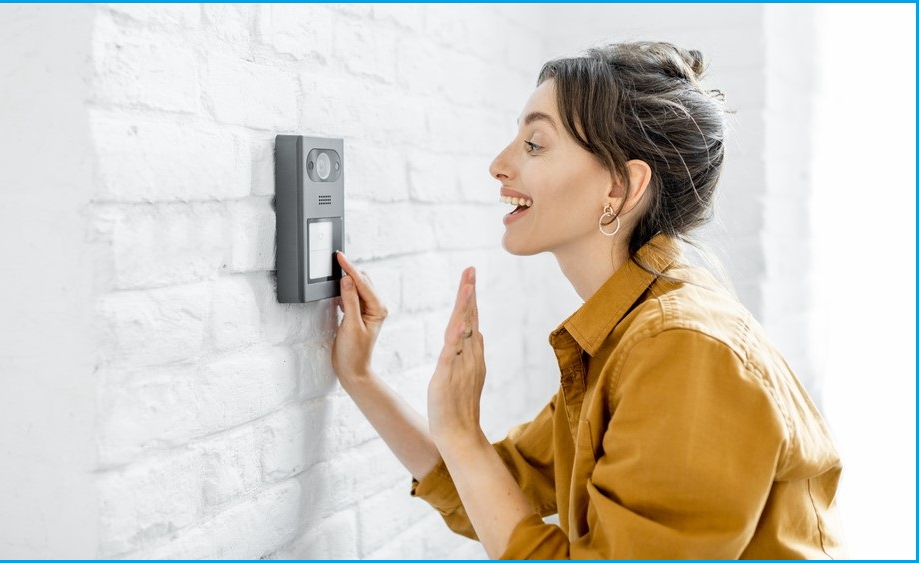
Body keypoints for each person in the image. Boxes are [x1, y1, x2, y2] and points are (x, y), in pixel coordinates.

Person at [330, 41, 843, 559]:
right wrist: (360, 377)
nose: (498, 165)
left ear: (621, 186)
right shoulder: (626, 335)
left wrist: (462, 432)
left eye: (534, 144)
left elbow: (478, 469)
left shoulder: (681, 347)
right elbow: (490, 488)